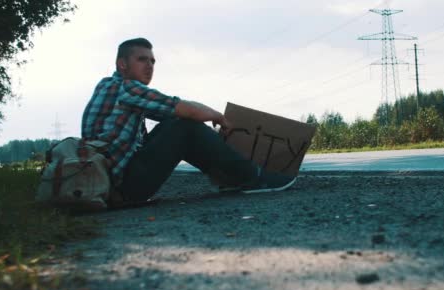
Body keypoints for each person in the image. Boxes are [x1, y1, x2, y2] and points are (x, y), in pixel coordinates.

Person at [81, 37, 295, 205]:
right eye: (142, 59)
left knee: (177, 123)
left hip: (105, 184)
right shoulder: (126, 88)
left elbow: (170, 114)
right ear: (122, 64)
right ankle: (253, 177)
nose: (150, 66)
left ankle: (229, 178)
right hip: (122, 187)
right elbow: (184, 109)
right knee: (184, 125)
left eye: (153, 61)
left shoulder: (108, 87)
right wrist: (218, 117)